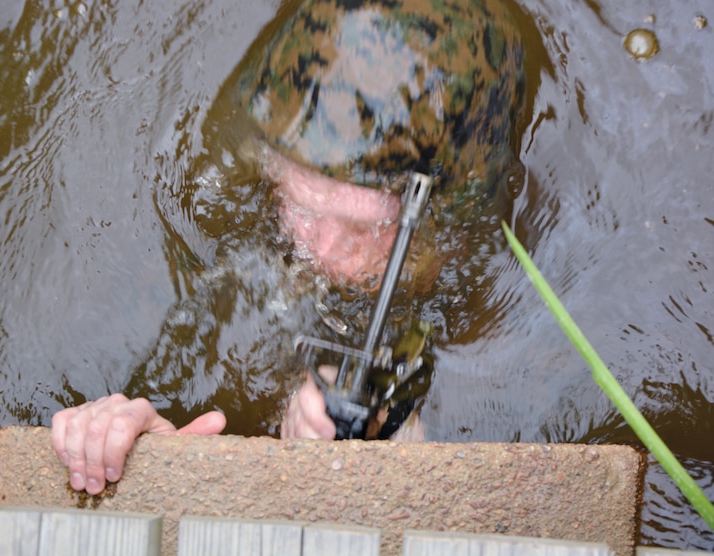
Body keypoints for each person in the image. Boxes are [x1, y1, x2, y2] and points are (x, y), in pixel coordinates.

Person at [52, 0, 525, 495]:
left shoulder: (499, 309)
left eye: (363, 229)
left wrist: (392, 448)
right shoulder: (219, 224)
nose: (322, 249)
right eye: (302, 207)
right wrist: (137, 440)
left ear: (443, 215)